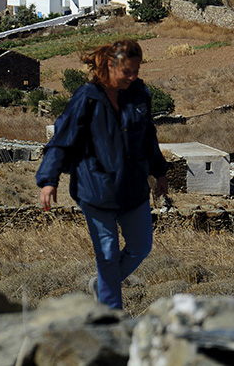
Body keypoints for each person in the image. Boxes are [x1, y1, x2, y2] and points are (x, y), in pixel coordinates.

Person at [36, 39, 169, 310]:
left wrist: (160, 172)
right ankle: (112, 319)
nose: (133, 77)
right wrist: (49, 181)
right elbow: (62, 139)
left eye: (136, 71)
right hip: (95, 189)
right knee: (107, 255)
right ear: (110, 65)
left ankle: (102, 286)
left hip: (133, 189)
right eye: (126, 72)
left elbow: (148, 138)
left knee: (141, 247)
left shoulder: (139, 94)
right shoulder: (87, 98)